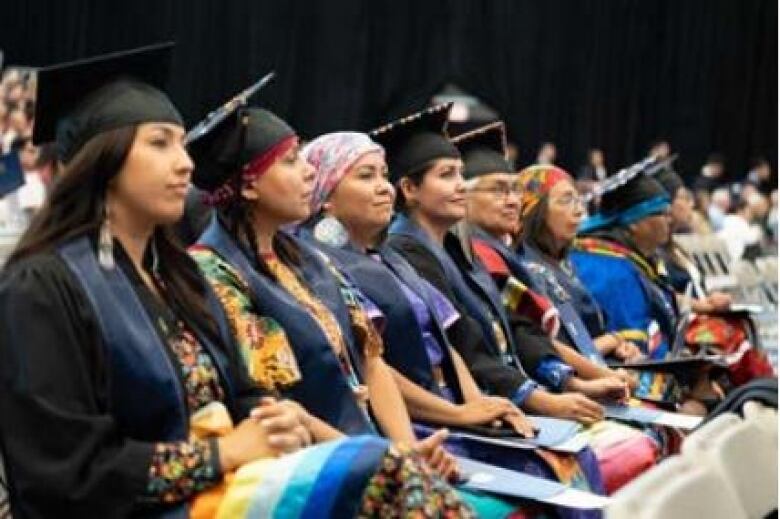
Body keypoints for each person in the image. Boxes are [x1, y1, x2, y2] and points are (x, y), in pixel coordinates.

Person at [0, 45, 474, 518]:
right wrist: (221, 455)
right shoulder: (41, 287)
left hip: (217, 488)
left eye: (181, 144)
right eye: (160, 143)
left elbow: (244, 393)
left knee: (392, 474)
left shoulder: (177, 277)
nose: (184, 163)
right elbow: (62, 476)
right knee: (387, 480)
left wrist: (279, 421)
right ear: (101, 160)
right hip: (138, 508)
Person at [372, 104, 608, 514]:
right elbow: (457, 347)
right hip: (435, 415)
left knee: (577, 456)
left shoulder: (454, 250)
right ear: (409, 190)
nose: (460, 186)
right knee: (552, 472)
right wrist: (533, 398)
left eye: (461, 174)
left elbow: (503, 335)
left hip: (481, 400)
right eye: (448, 176)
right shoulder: (408, 251)